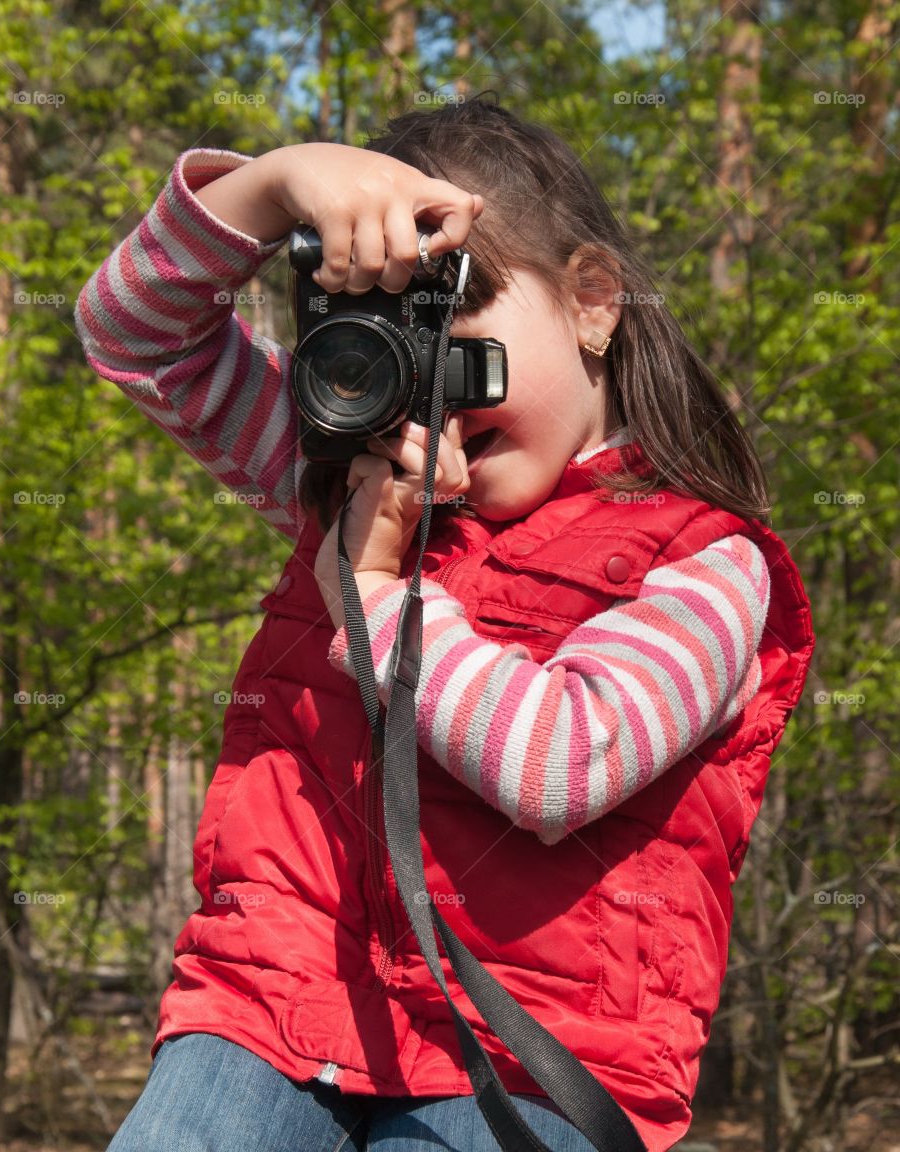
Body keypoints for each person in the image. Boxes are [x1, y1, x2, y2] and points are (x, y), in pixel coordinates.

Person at [74, 93, 815, 1152]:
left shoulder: (704, 559)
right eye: (387, 329)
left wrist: (373, 593)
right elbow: (132, 332)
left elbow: (563, 766)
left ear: (594, 302)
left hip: (534, 1056)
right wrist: (282, 179)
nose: (432, 380)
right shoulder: (346, 478)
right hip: (269, 1006)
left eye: (452, 315)